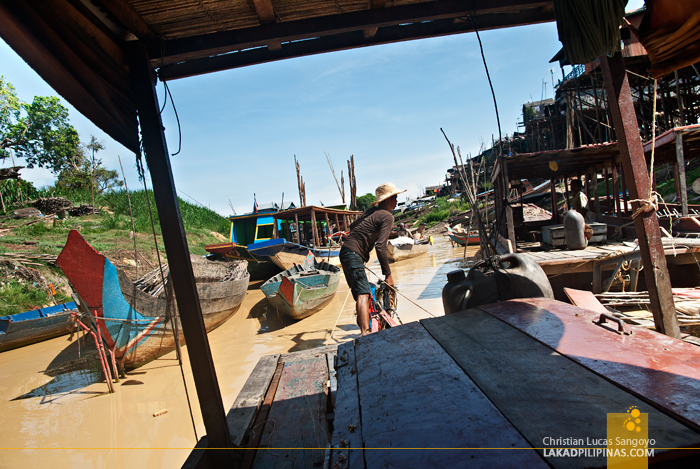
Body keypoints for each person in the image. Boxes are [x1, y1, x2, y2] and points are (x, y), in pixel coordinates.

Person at [340, 182, 405, 336]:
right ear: (387, 199)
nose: (396, 200)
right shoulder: (387, 216)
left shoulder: (371, 212)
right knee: (363, 293)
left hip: (345, 252)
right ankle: (365, 333)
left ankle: (365, 327)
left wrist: (364, 238)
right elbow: (381, 246)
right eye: (395, 197)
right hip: (354, 254)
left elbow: (353, 227)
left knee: (358, 292)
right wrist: (388, 275)